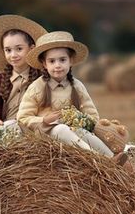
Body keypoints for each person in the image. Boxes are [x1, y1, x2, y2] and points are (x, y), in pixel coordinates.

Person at [17, 31, 128, 163]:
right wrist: (44, 120)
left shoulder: (77, 86)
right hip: (46, 134)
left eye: (62, 60)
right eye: (52, 61)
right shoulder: (37, 87)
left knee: (83, 133)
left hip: (73, 132)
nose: (57, 65)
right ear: (44, 64)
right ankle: (99, 160)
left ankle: (112, 159)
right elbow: (22, 117)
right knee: (62, 129)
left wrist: (79, 120)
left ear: (71, 61)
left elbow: (93, 116)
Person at [0, 14, 47, 127]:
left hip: (33, 130)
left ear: (32, 49)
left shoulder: (43, 78)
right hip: (5, 131)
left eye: (19, 49)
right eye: (8, 50)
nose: (13, 55)